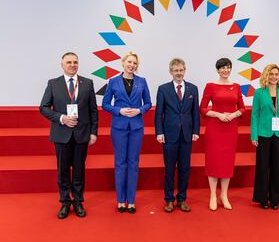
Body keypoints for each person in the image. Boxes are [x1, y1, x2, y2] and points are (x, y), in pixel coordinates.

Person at [40, 52, 98, 219]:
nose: (72, 65)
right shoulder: (53, 84)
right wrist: (61, 118)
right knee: (63, 170)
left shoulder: (87, 83)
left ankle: (78, 201)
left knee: (79, 170)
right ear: (62, 65)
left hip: (82, 134)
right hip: (61, 133)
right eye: (69, 62)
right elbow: (43, 107)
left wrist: (94, 132)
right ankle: (65, 202)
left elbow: (93, 110)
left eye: (75, 62)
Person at [102, 51, 152, 214]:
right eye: (129, 62)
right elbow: (105, 104)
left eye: (135, 63)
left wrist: (139, 110)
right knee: (120, 163)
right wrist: (119, 110)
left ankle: (131, 201)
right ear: (123, 63)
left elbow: (149, 103)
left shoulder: (142, 81)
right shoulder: (113, 81)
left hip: (137, 127)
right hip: (119, 127)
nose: (132, 65)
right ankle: (120, 200)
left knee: (133, 163)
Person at [155, 58, 200, 213]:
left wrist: (195, 131)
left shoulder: (193, 89)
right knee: (169, 168)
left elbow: (195, 113)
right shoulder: (163, 89)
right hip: (169, 135)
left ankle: (182, 199)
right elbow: (158, 113)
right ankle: (169, 199)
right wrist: (159, 132)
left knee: (185, 168)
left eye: (181, 70)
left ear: (184, 71)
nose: (179, 73)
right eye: (176, 70)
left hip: (187, 135)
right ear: (171, 72)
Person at [200, 58, 245, 211]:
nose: (226, 70)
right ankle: (213, 194)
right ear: (217, 70)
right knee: (213, 161)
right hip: (215, 128)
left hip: (230, 128)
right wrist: (218, 115)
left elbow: (243, 108)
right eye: (223, 68)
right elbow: (203, 108)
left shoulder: (236, 87)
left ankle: (224, 195)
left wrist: (233, 115)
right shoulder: (210, 86)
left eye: (228, 67)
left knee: (227, 162)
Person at [251, 64, 279, 210]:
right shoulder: (259, 93)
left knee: (277, 167)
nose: (274, 77)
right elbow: (255, 114)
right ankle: (262, 198)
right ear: (266, 76)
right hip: (263, 133)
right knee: (262, 167)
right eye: (271, 74)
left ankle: (275, 199)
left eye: (276, 74)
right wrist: (254, 135)